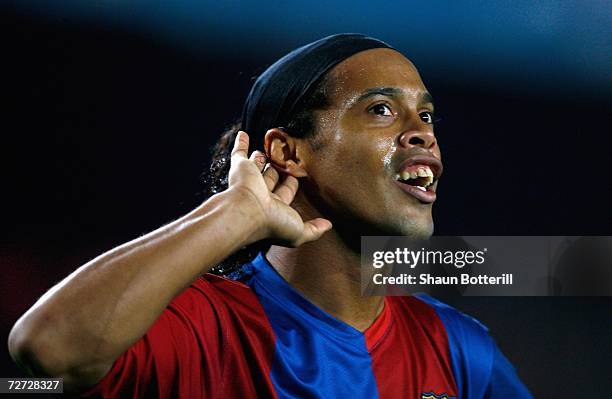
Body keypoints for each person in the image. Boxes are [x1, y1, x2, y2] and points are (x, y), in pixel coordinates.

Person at [8, 34, 532, 398]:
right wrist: (231, 215)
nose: (424, 132)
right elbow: (42, 359)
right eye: (380, 109)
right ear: (289, 153)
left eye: (426, 114)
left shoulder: (458, 347)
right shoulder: (199, 327)